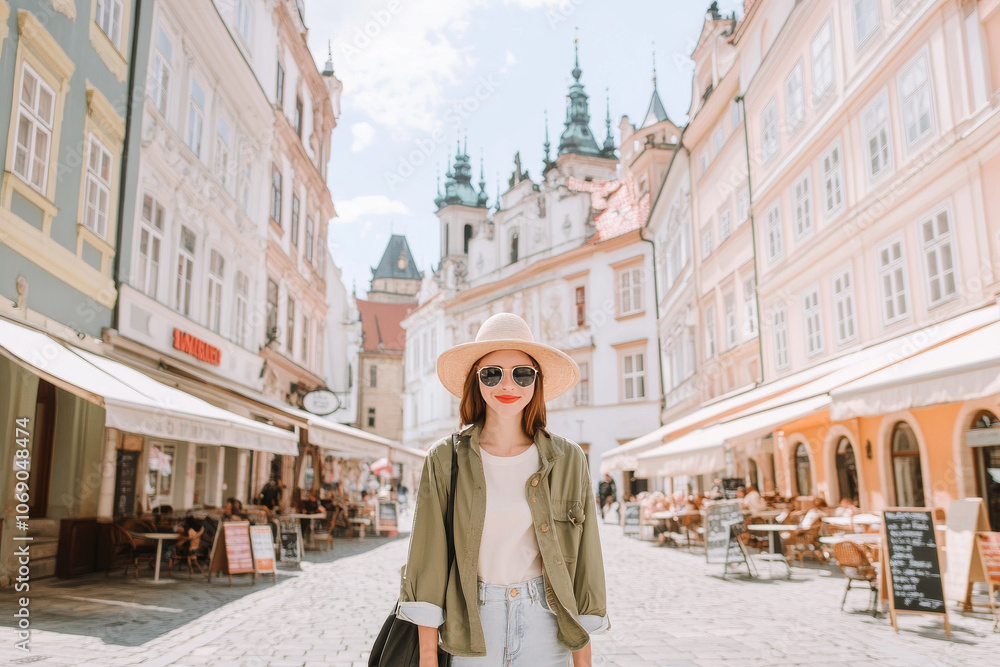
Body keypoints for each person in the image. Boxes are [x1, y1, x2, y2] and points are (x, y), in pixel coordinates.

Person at [398, 313, 608, 666]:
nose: (507, 385)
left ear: (536, 383)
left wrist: (583, 662)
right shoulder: (445, 457)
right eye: (491, 373)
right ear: (476, 382)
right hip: (470, 620)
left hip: (547, 618)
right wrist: (428, 657)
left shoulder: (568, 458)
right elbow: (427, 559)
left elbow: (585, 561)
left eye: (522, 374)